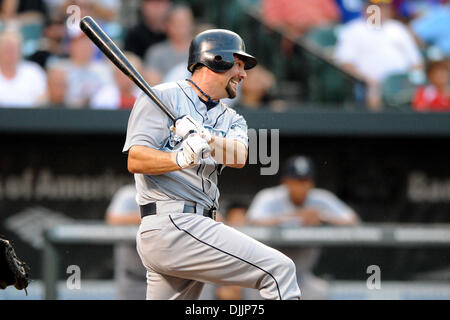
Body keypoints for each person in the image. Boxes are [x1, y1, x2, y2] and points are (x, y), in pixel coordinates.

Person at [123, 29, 301, 300]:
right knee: (279, 271)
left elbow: (239, 156)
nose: (243, 74)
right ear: (216, 59)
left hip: (194, 226)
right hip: (172, 222)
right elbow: (135, 158)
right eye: (238, 65)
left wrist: (205, 138)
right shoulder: (163, 97)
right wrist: (179, 158)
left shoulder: (232, 118)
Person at [247, 155, 360, 299]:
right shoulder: (270, 197)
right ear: (285, 181)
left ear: (312, 183)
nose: (301, 187)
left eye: (305, 181)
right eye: (296, 181)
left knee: (321, 291)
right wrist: (293, 218)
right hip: (268, 276)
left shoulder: (320, 199)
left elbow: (353, 221)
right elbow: (251, 221)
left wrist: (323, 217)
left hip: (302, 278)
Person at [333, 0, 424, 110]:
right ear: (366, 8)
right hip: (368, 84)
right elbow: (345, 63)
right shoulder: (354, 29)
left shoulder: (398, 28)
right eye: (376, 7)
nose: (381, 10)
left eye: (384, 6)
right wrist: (368, 81)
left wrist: (412, 80)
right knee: (374, 92)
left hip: (401, 84)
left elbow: (416, 62)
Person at [105, 184, 147, 300]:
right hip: (132, 277)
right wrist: (152, 216)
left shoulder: (171, 193)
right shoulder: (129, 193)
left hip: (164, 275)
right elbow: (112, 219)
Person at [143, 4, 194, 86]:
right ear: (167, 26)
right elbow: (152, 83)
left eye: (184, 22)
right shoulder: (156, 52)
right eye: (177, 23)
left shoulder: (202, 51)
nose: (181, 27)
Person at [0, 29, 47, 108]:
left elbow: (42, 101)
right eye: (6, 48)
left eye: (13, 48)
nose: (10, 52)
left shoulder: (34, 72)